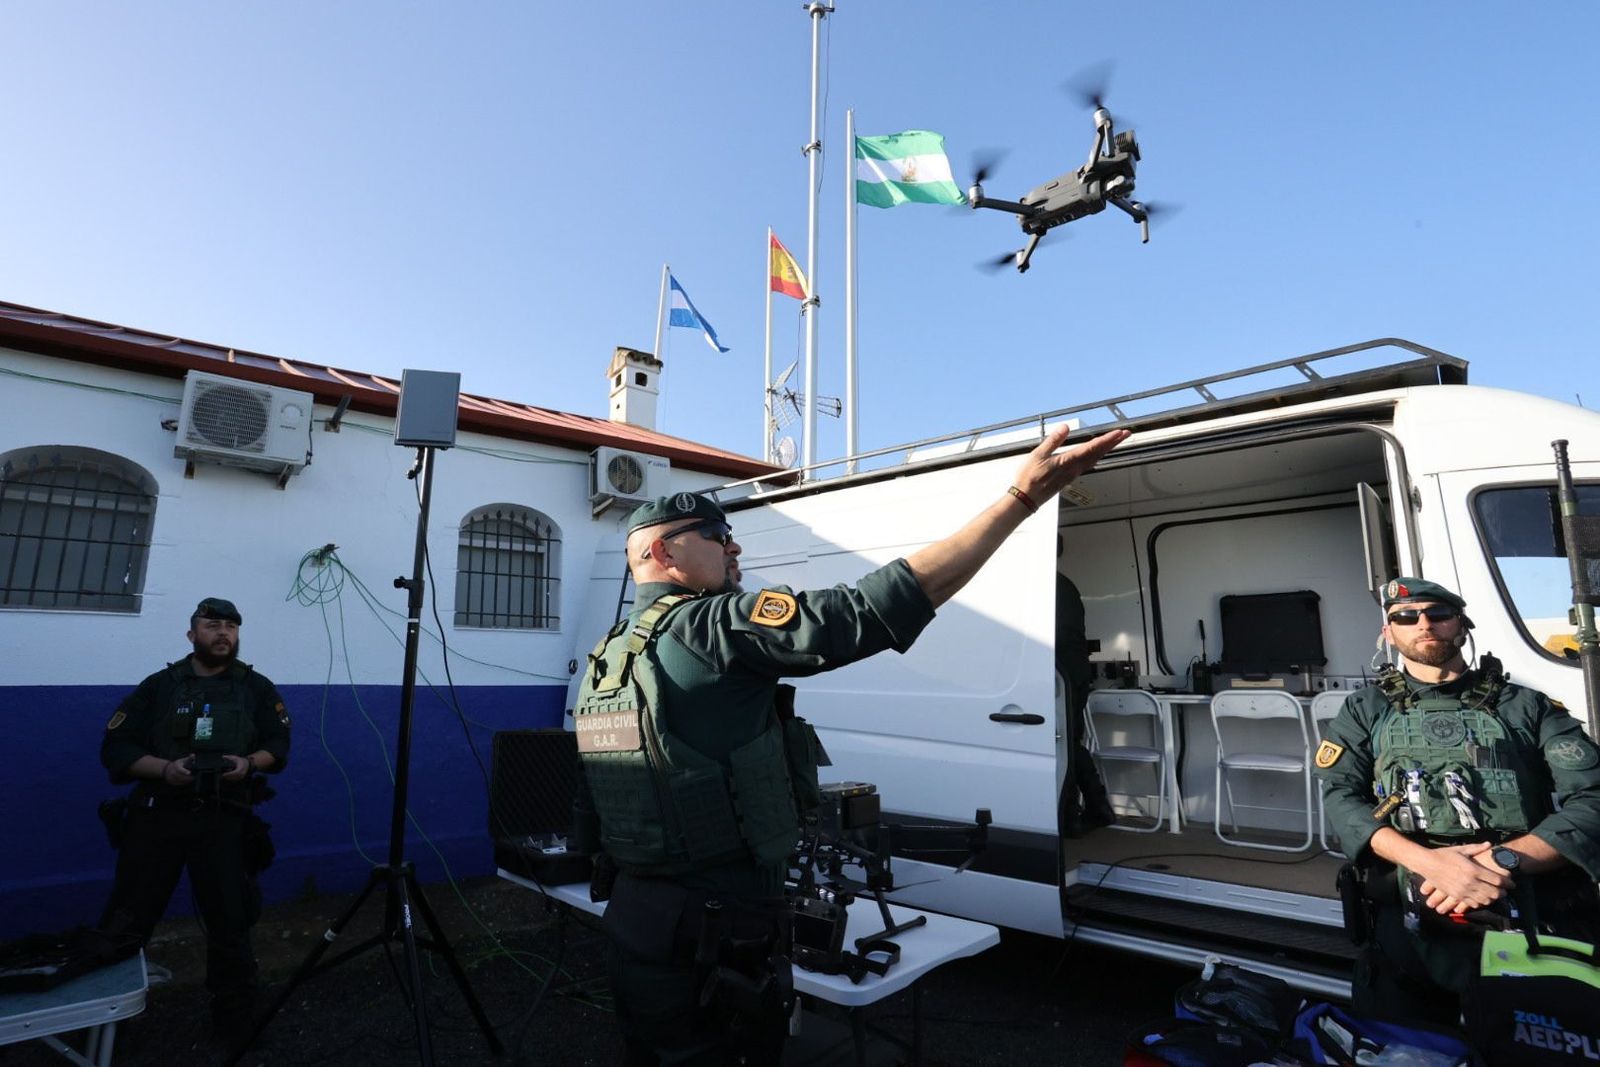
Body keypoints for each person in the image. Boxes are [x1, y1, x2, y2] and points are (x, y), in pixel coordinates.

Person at [571, 424, 1129, 1065]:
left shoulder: (611, 653)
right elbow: (870, 609)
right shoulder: (711, 627)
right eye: (718, 535)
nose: (734, 547)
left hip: (639, 923)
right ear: (663, 552)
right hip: (718, 928)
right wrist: (1020, 500)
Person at [1315, 577, 1600, 1026]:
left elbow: (1593, 797)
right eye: (1405, 617)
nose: (1423, 624)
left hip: (1520, 906)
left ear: (1462, 625)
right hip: (1409, 915)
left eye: (1438, 614)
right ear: (1388, 633)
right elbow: (1341, 796)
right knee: (1404, 1044)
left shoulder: (1526, 706)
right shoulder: (1364, 709)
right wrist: (1431, 864)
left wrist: (1499, 861)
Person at [98, 597, 291, 1035]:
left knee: (230, 921)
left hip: (224, 817)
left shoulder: (256, 687)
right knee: (128, 918)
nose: (223, 633)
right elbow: (117, 747)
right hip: (157, 817)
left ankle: (237, 1022)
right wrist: (166, 770)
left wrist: (249, 763)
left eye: (230, 627)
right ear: (191, 635)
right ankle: (104, 1021)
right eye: (212, 625)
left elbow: (278, 743)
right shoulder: (159, 687)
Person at [1057, 567, 1116, 835]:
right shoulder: (1067, 584)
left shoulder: (1036, 582)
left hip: (1059, 672)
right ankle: (1096, 806)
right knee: (1069, 741)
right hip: (1077, 668)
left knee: (1062, 744)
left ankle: (1071, 815)